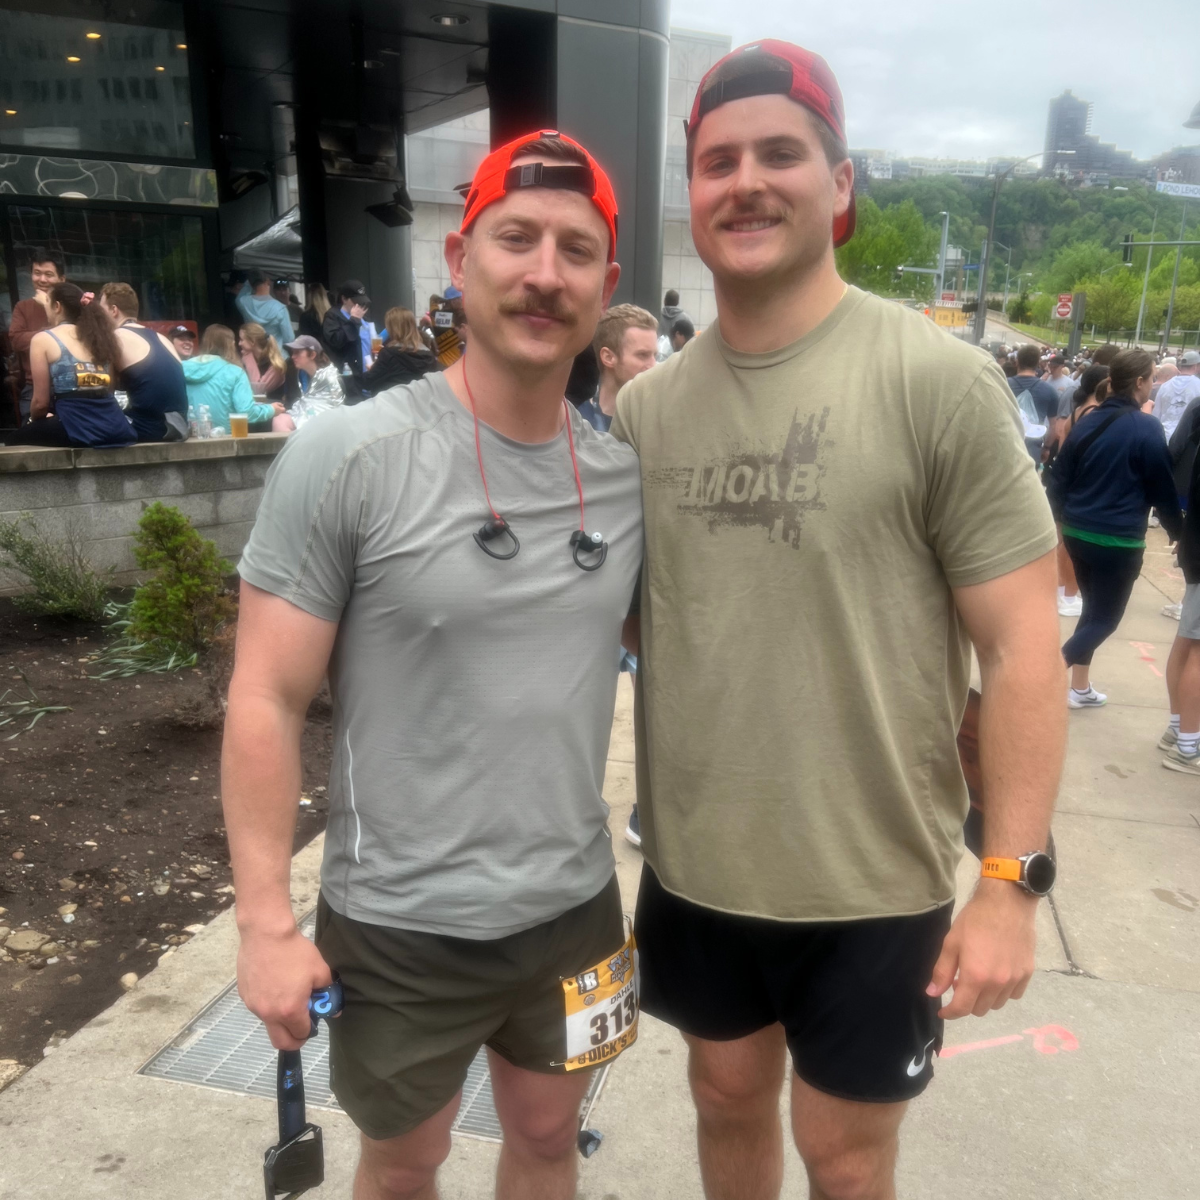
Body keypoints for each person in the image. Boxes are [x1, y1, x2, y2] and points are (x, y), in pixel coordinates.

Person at [610, 40, 1065, 1200]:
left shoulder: (936, 381)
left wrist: (1009, 880)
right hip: (697, 867)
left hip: (873, 884)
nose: (746, 182)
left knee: (848, 1158)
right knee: (722, 1104)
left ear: (842, 185)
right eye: (718, 161)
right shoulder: (646, 414)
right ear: (693, 194)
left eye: (781, 153)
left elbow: (1023, 649)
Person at [224, 129, 642, 1200]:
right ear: (459, 260)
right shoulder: (349, 456)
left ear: (608, 281)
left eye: (575, 249)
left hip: (574, 905)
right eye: (517, 239)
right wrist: (266, 924)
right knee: (405, 1157)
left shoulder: (626, 476)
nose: (544, 273)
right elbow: (266, 699)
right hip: (402, 919)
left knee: (549, 1139)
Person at [1047, 349, 1182, 709]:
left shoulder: (1087, 420)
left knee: (1092, 612)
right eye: (1152, 379)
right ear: (1139, 382)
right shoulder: (1146, 426)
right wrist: (1178, 531)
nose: (1153, 386)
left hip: (1077, 533)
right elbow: (1162, 488)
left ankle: (1079, 688)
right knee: (1105, 619)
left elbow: (1059, 479)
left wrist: (1061, 523)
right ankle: (1041, 678)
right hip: (1117, 539)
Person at [1, 283, 135, 449]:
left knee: (11, 442)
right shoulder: (100, 337)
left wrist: (35, 422)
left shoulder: (43, 339)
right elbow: (109, 389)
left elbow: (40, 404)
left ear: (57, 306)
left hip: (74, 427)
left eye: (47, 303)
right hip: (115, 426)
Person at [97, 282, 189, 443]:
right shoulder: (162, 338)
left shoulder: (115, 337)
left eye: (101, 310)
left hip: (150, 428)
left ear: (113, 310)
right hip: (179, 427)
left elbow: (105, 392)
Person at [1162, 442, 1200, 773]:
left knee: (1186, 641)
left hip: (1195, 550)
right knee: (1197, 651)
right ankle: (1188, 744)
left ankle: (1178, 727)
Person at [182, 325, 283, 435]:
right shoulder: (235, 372)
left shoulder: (181, 368)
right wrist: (271, 410)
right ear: (230, 345)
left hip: (190, 437)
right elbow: (246, 412)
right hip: (225, 441)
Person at [579, 303, 658, 434]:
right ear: (608, 357)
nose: (653, 365)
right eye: (642, 355)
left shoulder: (661, 421)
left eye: (655, 355)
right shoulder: (579, 426)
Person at [8, 249, 65, 422]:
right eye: (37, 273)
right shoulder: (22, 307)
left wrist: (48, 307)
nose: (42, 280)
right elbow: (16, 340)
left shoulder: (70, 305)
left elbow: (73, 337)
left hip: (68, 385)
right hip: (34, 386)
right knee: (30, 432)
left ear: (61, 279)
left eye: (49, 274)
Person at [361, 307, 439, 395]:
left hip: (391, 404)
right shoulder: (429, 356)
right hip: (419, 404)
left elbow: (367, 382)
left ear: (393, 328)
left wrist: (371, 369)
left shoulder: (389, 354)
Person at [273, 335, 344, 430]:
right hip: (305, 419)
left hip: (325, 426)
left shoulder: (331, 377)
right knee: (279, 420)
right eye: (292, 352)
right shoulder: (296, 373)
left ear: (312, 355)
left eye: (297, 352)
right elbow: (292, 401)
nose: (293, 356)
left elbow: (338, 408)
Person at [1009, 343, 1058, 458]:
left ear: (1017, 361)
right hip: (1032, 452)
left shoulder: (1003, 384)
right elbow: (1053, 426)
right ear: (1037, 364)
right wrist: (1046, 448)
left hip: (1005, 449)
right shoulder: (1049, 391)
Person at [322, 279, 369, 395]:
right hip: (347, 376)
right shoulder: (332, 316)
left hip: (366, 373)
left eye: (362, 302)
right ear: (344, 299)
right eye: (355, 302)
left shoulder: (364, 319)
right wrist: (353, 321)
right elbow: (335, 340)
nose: (359, 306)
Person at [237, 269, 294, 357]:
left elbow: (240, 296)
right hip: (277, 356)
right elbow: (289, 338)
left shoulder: (243, 302)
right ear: (268, 281)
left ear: (251, 284)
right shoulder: (280, 308)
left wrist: (250, 281)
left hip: (254, 356)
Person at [1156, 349, 1200, 441]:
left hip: (1163, 436)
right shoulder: (1198, 385)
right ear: (1196, 366)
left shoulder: (1165, 386)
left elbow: (1156, 414)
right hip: (1187, 441)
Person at [238, 322, 288, 401]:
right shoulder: (247, 359)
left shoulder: (275, 364)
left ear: (252, 342)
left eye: (241, 340)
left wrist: (248, 359)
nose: (239, 343)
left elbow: (258, 390)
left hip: (273, 408)